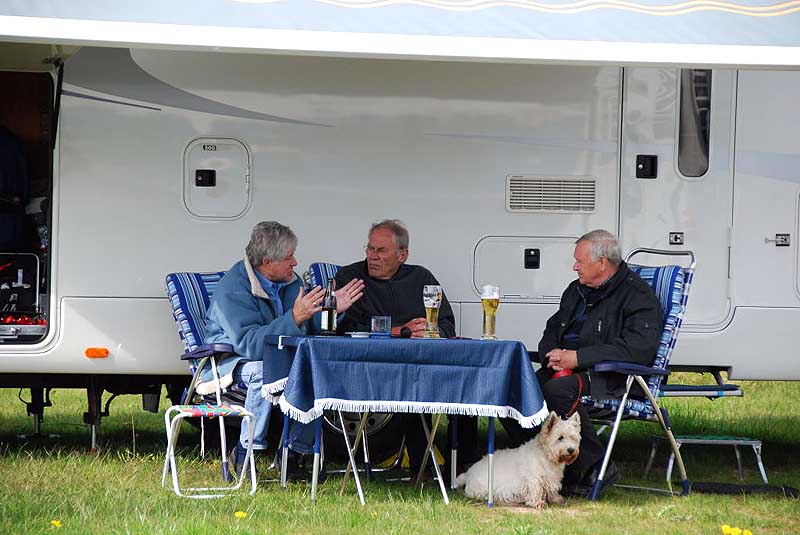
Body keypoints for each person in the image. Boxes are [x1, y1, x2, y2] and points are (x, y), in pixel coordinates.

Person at [506, 229, 663, 497]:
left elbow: (638, 350)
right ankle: (543, 465)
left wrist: (578, 358)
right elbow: (552, 328)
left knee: (557, 391)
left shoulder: (638, 296)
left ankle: (594, 467)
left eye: (580, 261)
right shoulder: (576, 290)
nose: (574, 266)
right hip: (566, 368)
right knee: (514, 390)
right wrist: (552, 353)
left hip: (612, 377)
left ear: (602, 263)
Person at [204, 221, 364, 476]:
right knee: (262, 371)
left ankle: (295, 453)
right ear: (267, 262)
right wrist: (294, 318)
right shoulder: (232, 290)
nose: (295, 263)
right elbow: (250, 346)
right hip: (230, 364)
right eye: (289, 257)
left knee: (311, 369)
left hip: (279, 359)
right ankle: (247, 452)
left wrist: (331, 310)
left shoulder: (289, 281)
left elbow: (307, 320)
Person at [334, 219, 477, 475]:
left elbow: (447, 324)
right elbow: (347, 327)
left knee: (466, 383)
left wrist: (430, 331)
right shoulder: (350, 277)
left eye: (381, 251)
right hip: (371, 369)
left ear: (403, 255)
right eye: (370, 248)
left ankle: (464, 466)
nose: (372, 256)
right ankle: (421, 465)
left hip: (421, 364)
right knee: (413, 385)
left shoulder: (421, 277)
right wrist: (403, 331)